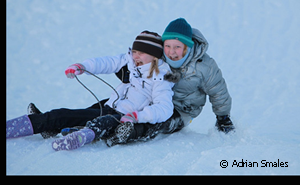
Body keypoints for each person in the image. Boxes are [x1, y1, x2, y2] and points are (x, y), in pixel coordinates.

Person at [6, 31, 175, 150]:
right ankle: (41, 127)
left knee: (76, 118)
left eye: (142, 53)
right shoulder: (129, 61)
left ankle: (75, 136)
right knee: (69, 114)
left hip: (122, 115)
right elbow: (107, 62)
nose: (135, 56)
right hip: (110, 104)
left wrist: (138, 116)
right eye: (135, 51)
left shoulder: (161, 77)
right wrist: (83, 67)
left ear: (154, 56)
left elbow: (164, 108)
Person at [120, 18, 234, 142]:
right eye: (167, 46)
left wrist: (223, 117)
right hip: (155, 101)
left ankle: (128, 133)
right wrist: (126, 72)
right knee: (125, 106)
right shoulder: (159, 57)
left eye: (177, 47)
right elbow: (142, 64)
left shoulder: (204, 66)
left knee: (161, 123)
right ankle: (108, 123)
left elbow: (218, 91)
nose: (171, 52)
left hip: (182, 110)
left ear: (187, 47)